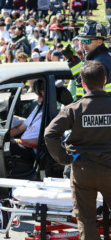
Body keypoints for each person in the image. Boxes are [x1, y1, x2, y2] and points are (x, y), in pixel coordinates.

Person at [44, 61, 111, 240]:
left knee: (86, 220)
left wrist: (64, 158)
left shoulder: (74, 108)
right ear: (105, 80)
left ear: (82, 83)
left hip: (83, 171)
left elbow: (50, 134)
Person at [10, 79, 44, 163]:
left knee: (7, 147)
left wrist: (18, 141)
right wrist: (5, 135)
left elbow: (39, 142)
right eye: (38, 93)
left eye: (40, 94)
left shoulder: (52, 114)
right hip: (24, 144)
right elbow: (20, 128)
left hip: (31, 151)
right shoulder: (38, 110)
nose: (37, 96)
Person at [76, 20, 111, 97]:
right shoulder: (101, 58)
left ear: (99, 42)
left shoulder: (99, 64)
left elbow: (94, 98)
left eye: (88, 41)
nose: (84, 44)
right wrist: (72, 61)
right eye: (82, 40)